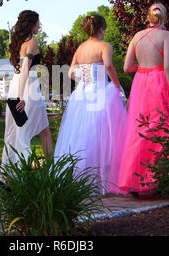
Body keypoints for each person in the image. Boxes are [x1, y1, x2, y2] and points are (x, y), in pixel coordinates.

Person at [108, 3, 169, 198]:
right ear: (164, 17)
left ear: (148, 17)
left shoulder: (137, 37)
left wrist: (142, 65)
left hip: (140, 83)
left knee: (138, 129)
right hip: (159, 82)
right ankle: (161, 179)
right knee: (164, 127)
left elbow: (126, 67)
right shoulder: (167, 36)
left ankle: (132, 181)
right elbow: (167, 67)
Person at [54, 15, 127, 195]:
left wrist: (85, 79)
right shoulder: (105, 46)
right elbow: (109, 66)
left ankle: (81, 178)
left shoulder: (81, 48)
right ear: (101, 28)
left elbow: (71, 72)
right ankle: (101, 179)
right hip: (100, 92)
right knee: (101, 135)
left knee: (82, 134)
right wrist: (117, 86)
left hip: (83, 93)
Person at [0, 10, 53, 178]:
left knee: (16, 131)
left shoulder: (17, 43)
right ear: (31, 24)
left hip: (17, 84)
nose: (40, 25)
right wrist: (21, 95)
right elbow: (25, 70)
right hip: (27, 88)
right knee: (37, 131)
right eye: (38, 22)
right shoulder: (31, 42)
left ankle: (6, 175)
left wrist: (17, 92)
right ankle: (51, 172)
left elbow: (20, 70)